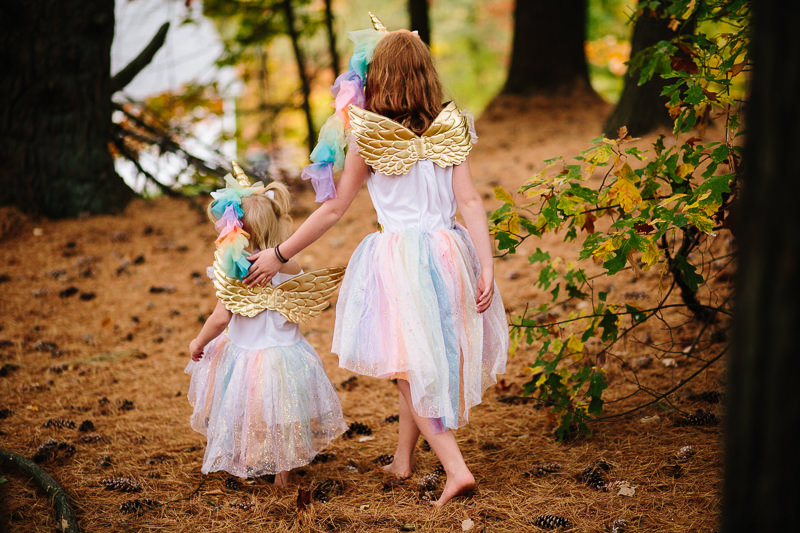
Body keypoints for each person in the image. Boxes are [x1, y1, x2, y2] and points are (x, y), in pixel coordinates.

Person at [244, 18, 508, 506]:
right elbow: (470, 202)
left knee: (408, 369)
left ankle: (455, 468)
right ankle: (404, 460)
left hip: (401, 261)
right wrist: (486, 264)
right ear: (427, 74)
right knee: (414, 359)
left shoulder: (366, 138)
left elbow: (333, 209)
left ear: (378, 79)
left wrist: (280, 252)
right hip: (451, 253)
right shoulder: (450, 125)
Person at [186, 172, 347, 488]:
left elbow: (221, 318)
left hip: (248, 357)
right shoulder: (289, 265)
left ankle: (247, 460)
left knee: (246, 412)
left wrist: (199, 340)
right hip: (288, 357)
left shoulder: (236, 272)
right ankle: (283, 474)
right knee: (283, 416)